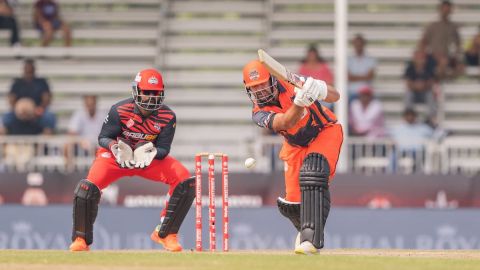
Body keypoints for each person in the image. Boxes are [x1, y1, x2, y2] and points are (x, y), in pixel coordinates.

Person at [69, 69, 195, 252]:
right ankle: (81, 240)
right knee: (86, 189)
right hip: (117, 158)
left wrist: (151, 152)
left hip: (146, 160)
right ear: (136, 91)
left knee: (185, 181)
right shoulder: (119, 110)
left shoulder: (168, 117)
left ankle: (166, 234)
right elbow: (103, 138)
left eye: (156, 93)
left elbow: (164, 150)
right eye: (147, 92)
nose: (151, 98)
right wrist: (114, 147)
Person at [242, 60, 343, 254]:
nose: (260, 91)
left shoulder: (292, 83)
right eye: (254, 88)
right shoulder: (258, 112)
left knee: (313, 173)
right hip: (294, 145)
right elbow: (286, 122)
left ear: (272, 79)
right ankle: (306, 231)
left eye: (262, 84)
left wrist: (319, 88)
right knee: (292, 205)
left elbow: (336, 95)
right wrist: (300, 102)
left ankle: (310, 239)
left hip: (324, 131)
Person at [418, 0, 463, 80]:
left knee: (461, 66)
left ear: (451, 10)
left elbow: (458, 44)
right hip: (433, 57)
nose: (446, 12)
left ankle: (445, 80)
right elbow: (423, 42)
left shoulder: (454, 27)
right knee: (443, 62)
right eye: (444, 9)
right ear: (440, 10)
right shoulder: (432, 26)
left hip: (449, 57)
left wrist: (457, 55)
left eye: (448, 10)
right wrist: (424, 56)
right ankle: (437, 82)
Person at [8, 58, 56, 130]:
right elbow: (11, 99)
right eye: (27, 68)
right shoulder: (17, 83)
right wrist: (18, 110)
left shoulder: (41, 82)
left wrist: (39, 109)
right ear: (24, 69)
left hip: (37, 111)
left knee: (49, 117)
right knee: (6, 118)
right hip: (20, 111)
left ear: (34, 69)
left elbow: (46, 98)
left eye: (30, 68)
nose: (29, 70)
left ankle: (46, 137)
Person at [404, 50, 437, 125]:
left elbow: (431, 83)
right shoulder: (410, 68)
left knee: (430, 94)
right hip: (414, 94)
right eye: (418, 58)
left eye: (421, 58)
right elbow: (408, 83)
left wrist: (422, 86)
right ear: (414, 59)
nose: (420, 60)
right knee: (408, 94)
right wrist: (416, 86)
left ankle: (431, 118)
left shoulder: (429, 68)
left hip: (425, 93)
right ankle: (409, 116)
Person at [297, 44, 334, 109]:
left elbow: (330, 82)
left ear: (317, 55)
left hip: (321, 94)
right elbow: (299, 82)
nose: (312, 57)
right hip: (307, 95)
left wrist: (318, 87)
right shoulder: (303, 67)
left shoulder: (323, 66)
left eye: (313, 55)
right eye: (310, 55)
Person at [348, 34, 377, 101]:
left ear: (363, 45)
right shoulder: (349, 59)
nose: (358, 46)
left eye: (360, 44)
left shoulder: (370, 59)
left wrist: (354, 77)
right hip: (352, 92)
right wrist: (364, 76)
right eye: (356, 44)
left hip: (367, 92)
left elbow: (370, 76)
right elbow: (349, 77)